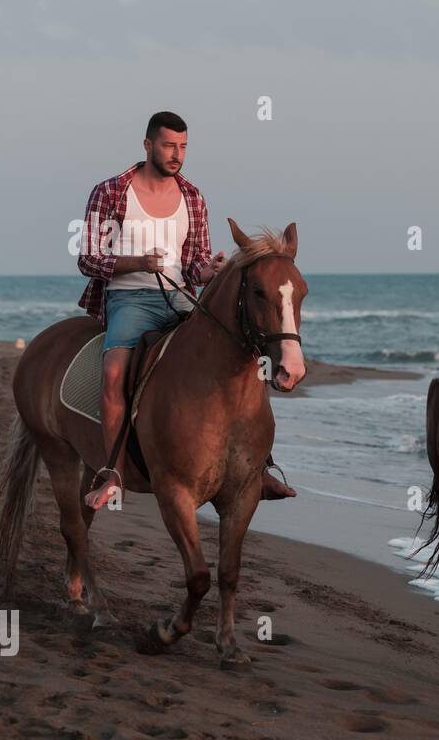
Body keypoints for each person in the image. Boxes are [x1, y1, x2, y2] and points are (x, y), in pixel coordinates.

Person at [76, 110, 297, 510]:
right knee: (113, 374)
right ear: (147, 145)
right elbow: (88, 259)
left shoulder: (192, 197)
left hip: (179, 296)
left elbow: (192, 264)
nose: (176, 154)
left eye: (182, 147)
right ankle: (112, 473)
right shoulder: (110, 192)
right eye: (168, 145)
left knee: (243, 353)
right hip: (129, 298)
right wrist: (136, 263)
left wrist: (207, 270)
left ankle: (259, 466)